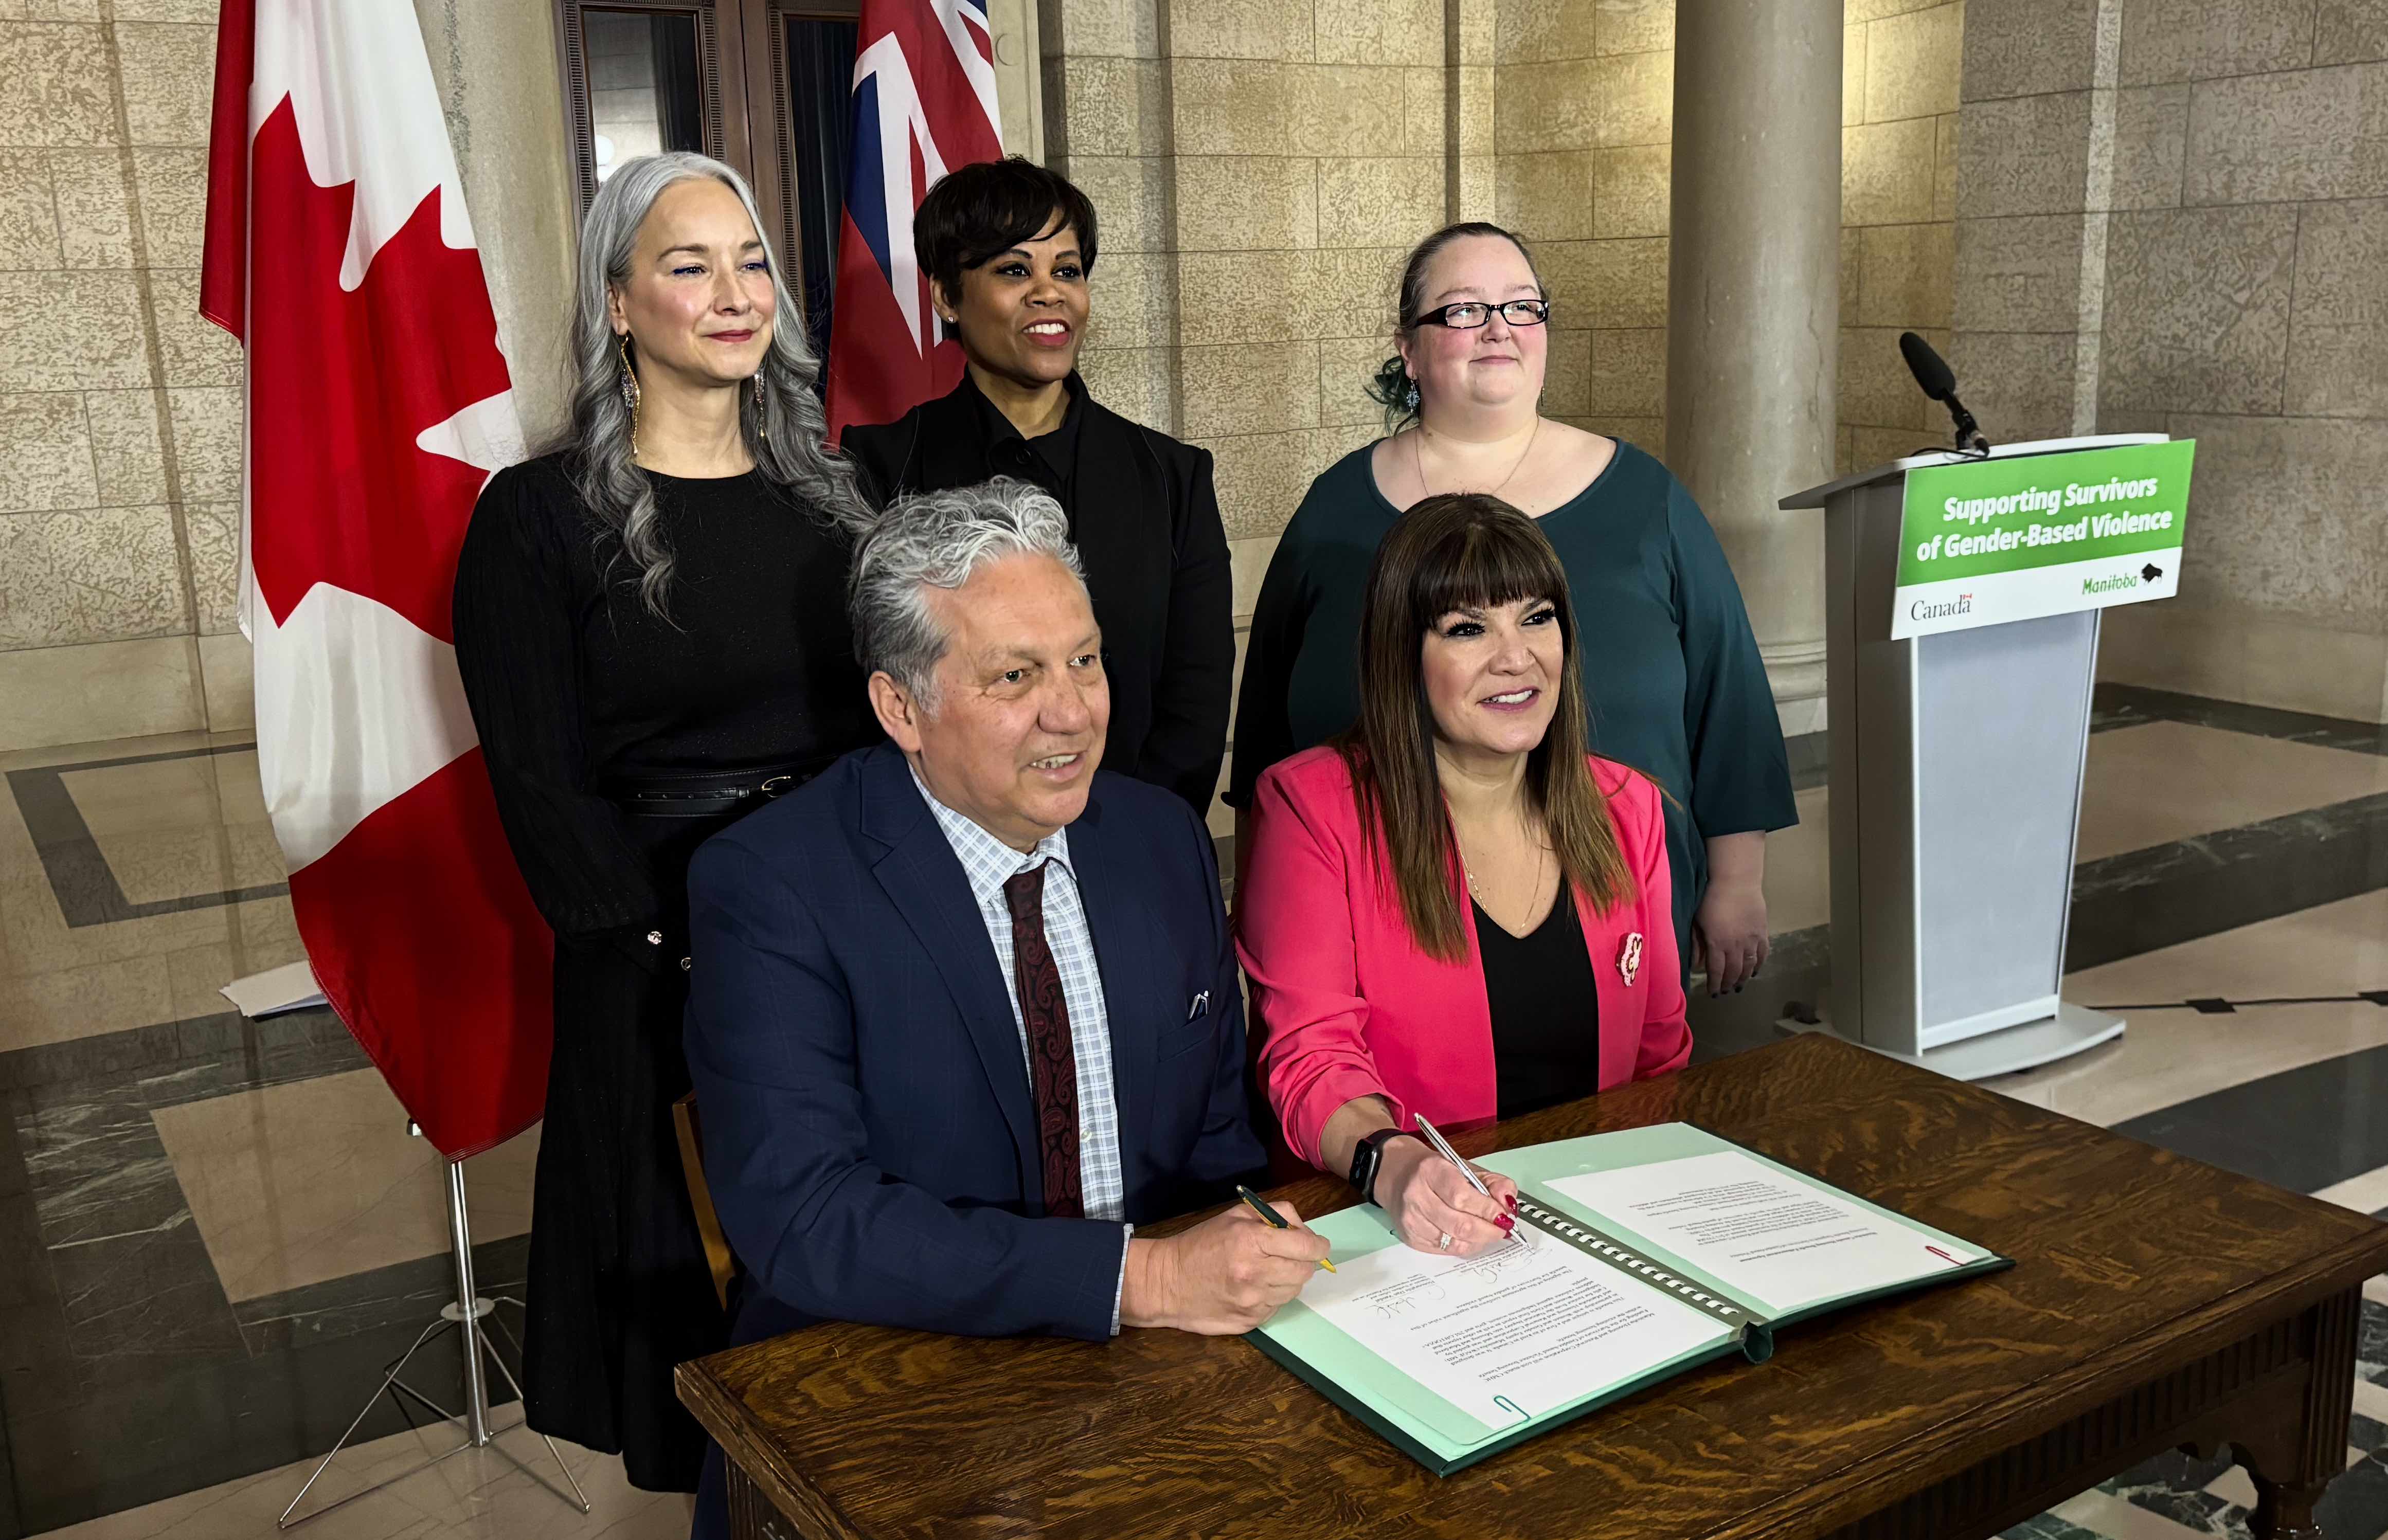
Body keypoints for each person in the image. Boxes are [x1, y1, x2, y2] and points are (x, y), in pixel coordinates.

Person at [683, 478, 1324, 1535]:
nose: (1071, 712)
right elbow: (804, 1220)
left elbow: (1215, 1144)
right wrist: (1137, 1278)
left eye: (1083, 659)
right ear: (902, 708)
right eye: (1014, 676)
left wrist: (1230, 1259)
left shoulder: (1161, 840)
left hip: (1160, 1376)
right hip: (887, 1384)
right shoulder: (771, 886)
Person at [452, 152, 878, 1492]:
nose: (734, 292)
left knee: (854, 1261)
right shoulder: (537, 515)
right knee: (694, 1283)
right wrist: (653, 948)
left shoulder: (835, 502)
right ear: (620, 304)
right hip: (653, 943)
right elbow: (538, 774)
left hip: (836, 920)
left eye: (751, 261)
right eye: (689, 265)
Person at [1228, 221, 1794, 995]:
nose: (1498, 328)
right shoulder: (1336, 508)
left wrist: (1736, 881)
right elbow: (1267, 723)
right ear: (1408, 349)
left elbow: (1727, 700)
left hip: (1616, 901)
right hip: (1390, 916)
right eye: (1462, 311)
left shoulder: (1643, 498)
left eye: (1521, 307)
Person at [1237, 494, 1690, 1258]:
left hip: (1597, 1228)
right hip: (1397, 1235)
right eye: (1467, 628)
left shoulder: (1627, 806)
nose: (1515, 656)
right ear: (1402, 653)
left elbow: (1659, 1056)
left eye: (1536, 617)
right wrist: (1393, 1161)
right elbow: (1310, 1060)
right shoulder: (1310, 807)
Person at [842, 157, 1232, 818]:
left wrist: (1133, 835)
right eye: (1014, 270)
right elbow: (873, 695)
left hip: (1130, 840)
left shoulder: (1172, 475)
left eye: (1068, 271)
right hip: (944, 849)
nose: (1049, 293)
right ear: (945, 295)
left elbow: (1194, 704)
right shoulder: (879, 469)